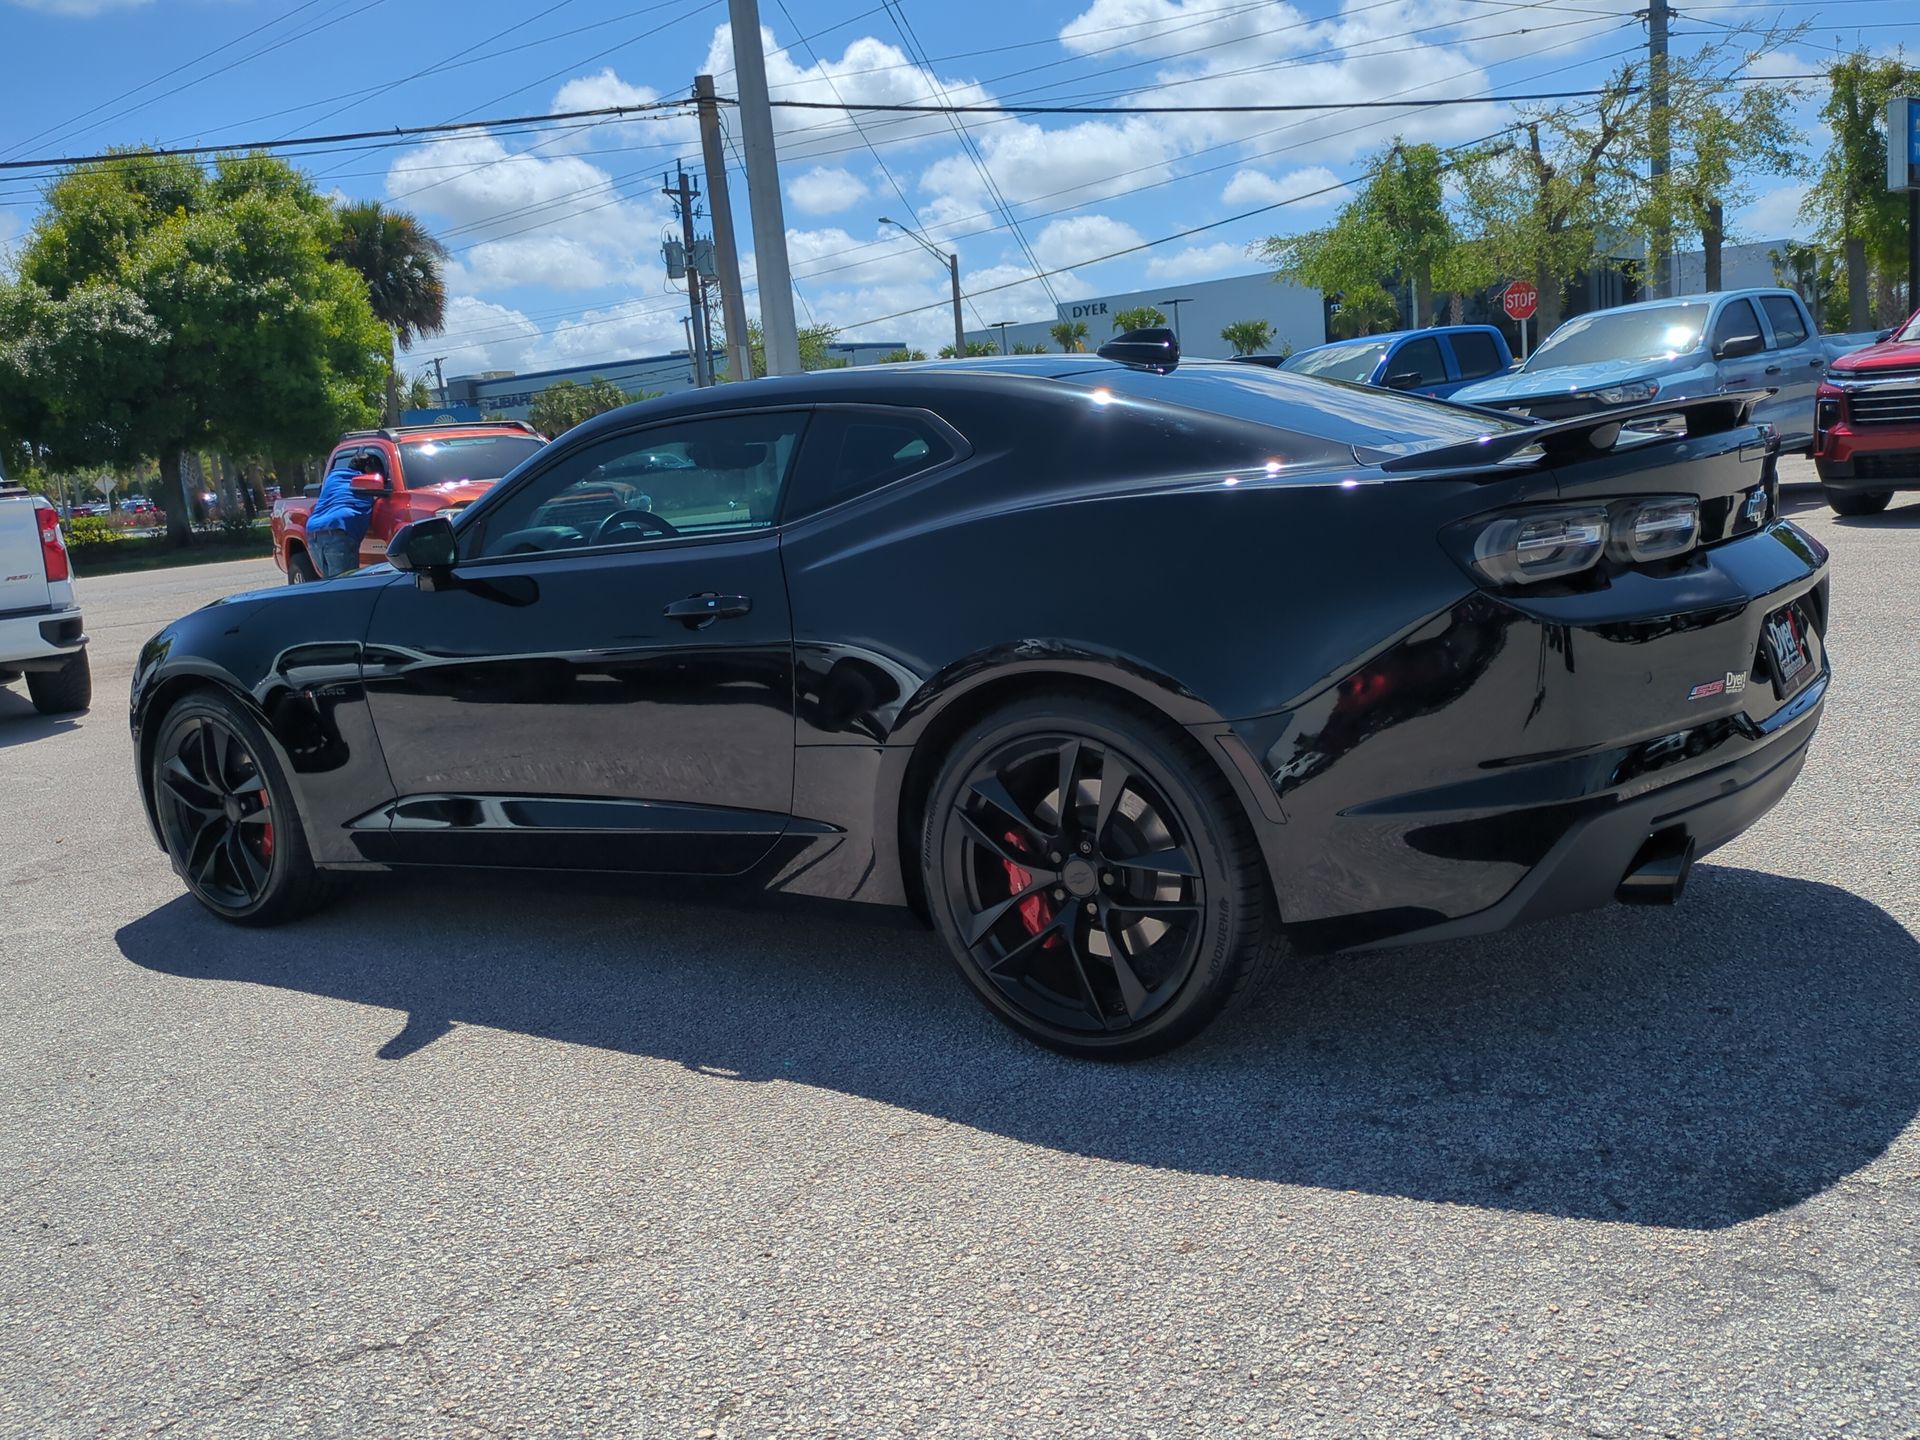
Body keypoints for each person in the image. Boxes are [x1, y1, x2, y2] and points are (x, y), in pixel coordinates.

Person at [306, 453, 384, 578]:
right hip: (338, 531)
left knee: (330, 585)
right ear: (368, 469)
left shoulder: (333, 477)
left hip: (313, 531)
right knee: (345, 586)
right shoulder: (366, 482)